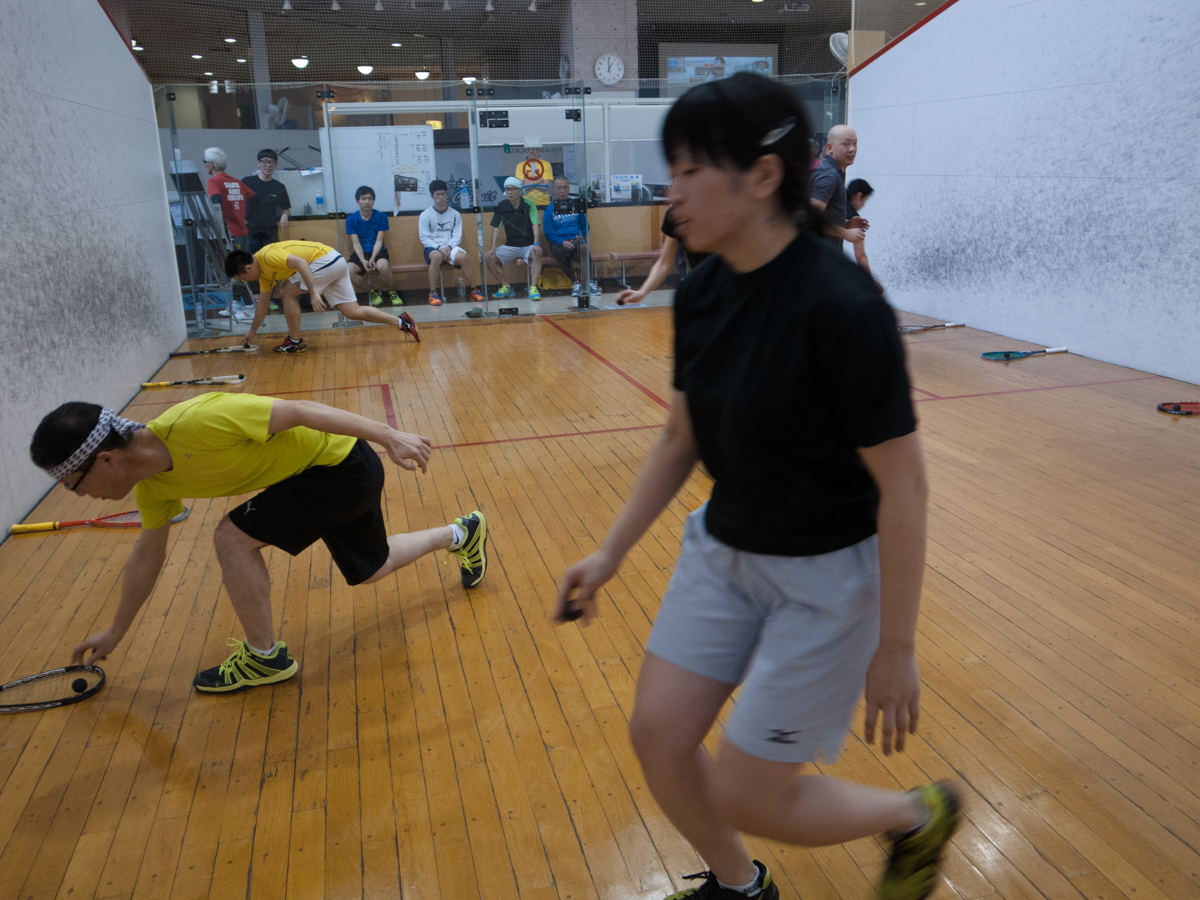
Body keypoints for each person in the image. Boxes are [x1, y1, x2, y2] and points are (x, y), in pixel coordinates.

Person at [554, 72, 960, 900]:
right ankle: (741, 888)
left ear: (764, 176)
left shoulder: (844, 308)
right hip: (724, 550)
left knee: (748, 792)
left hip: (828, 579)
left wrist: (897, 646)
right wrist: (609, 553)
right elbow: (681, 434)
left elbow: (906, 490)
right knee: (659, 737)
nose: (671, 195)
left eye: (689, 171)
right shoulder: (702, 290)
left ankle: (915, 817)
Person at [32, 395, 489, 693]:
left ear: (106, 460)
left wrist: (388, 434)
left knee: (231, 537)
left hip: (340, 467)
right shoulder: (153, 488)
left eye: (74, 485)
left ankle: (264, 657)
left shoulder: (196, 422)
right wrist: (115, 632)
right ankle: (462, 533)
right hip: (328, 474)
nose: (80, 496)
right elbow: (147, 557)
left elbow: (298, 410)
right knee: (373, 567)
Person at [226, 240, 420, 354]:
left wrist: (313, 293)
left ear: (248, 268)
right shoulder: (264, 275)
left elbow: (301, 263)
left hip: (325, 261)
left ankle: (294, 341)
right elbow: (263, 304)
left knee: (286, 292)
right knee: (352, 311)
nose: (245, 281)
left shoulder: (267, 256)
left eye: (242, 278)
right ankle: (402, 322)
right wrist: (252, 331)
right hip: (335, 263)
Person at [614, 205, 709, 306]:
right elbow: (664, 263)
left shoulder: (718, 211)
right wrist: (642, 292)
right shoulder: (675, 215)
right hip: (704, 292)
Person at [418, 180, 484, 307]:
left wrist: (449, 247)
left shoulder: (455, 214)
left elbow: (457, 236)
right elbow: (424, 238)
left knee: (462, 257)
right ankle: (432, 293)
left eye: (443, 194)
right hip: (433, 247)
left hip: (450, 246)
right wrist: (439, 247)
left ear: (447, 194)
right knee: (436, 256)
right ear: (432, 196)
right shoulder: (425, 215)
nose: (441, 197)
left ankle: (474, 290)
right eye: (437, 194)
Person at [486, 177, 543, 301]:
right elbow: (497, 228)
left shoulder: (529, 203)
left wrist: (536, 243)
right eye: (507, 189)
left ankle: (533, 288)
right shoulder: (502, 206)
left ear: (520, 190)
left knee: (537, 252)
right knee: (489, 258)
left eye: (513, 189)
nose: (510, 192)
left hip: (528, 246)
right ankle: (506, 286)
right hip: (510, 246)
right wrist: (492, 248)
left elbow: (535, 224)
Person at [809, 125, 867, 247]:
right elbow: (811, 219)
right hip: (818, 254)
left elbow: (823, 218)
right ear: (830, 148)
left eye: (855, 144)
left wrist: (846, 224)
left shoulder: (834, 172)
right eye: (846, 144)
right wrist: (845, 233)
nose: (852, 149)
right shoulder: (828, 175)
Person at [345, 185, 401, 308]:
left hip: (378, 251)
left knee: (383, 266)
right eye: (363, 198)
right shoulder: (351, 220)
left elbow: (379, 241)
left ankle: (392, 291)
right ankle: (373, 292)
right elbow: (356, 243)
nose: (367, 202)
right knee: (348, 271)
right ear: (357, 201)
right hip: (360, 253)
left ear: (373, 201)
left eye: (370, 199)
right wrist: (363, 260)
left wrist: (372, 258)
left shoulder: (381, 217)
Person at [543, 176, 599, 298]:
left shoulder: (576, 205)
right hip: (559, 243)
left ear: (569, 189)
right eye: (558, 188)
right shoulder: (549, 210)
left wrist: (581, 236)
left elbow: (585, 226)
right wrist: (562, 241)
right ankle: (575, 283)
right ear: (554, 190)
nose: (562, 191)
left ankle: (588, 283)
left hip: (576, 240)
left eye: (564, 188)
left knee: (583, 249)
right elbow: (549, 233)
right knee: (561, 252)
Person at [203, 147, 254, 248]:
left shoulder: (213, 181)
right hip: (243, 232)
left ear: (211, 164)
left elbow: (216, 200)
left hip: (228, 233)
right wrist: (244, 217)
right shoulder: (237, 182)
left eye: (204, 162)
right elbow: (252, 198)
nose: (204, 165)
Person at [242, 149, 291, 253]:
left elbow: (286, 208)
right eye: (264, 161)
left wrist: (285, 215)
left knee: (272, 259)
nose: (268, 165)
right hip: (250, 231)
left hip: (270, 232)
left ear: (275, 165)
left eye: (271, 162)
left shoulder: (279, 187)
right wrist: (242, 220)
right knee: (251, 260)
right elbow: (237, 203)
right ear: (258, 163)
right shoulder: (247, 182)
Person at [846, 178, 883, 293]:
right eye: (864, 200)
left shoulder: (836, 203)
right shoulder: (855, 219)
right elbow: (860, 255)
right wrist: (871, 281)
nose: (863, 205)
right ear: (858, 196)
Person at [516, 140, 553, 207]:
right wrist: (540, 180)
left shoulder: (546, 164)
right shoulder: (520, 166)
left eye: (533, 149)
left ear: (538, 150)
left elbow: (545, 187)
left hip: (543, 202)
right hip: (526, 203)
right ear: (526, 151)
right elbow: (522, 188)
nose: (531, 151)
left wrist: (528, 183)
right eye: (528, 149)